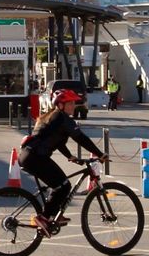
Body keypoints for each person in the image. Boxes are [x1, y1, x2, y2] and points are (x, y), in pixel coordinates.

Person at [19, 88, 106, 232]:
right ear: (60, 105)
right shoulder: (63, 118)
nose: (73, 106)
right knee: (63, 186)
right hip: (35, 157)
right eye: (69, 103)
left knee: (61, 185)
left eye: (73, 103)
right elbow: (81, 138)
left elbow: (57, 141)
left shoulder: (53, 117)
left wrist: (70, 156)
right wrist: (99, 154)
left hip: (30, 156)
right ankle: (44, 217)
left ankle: (53, 215)